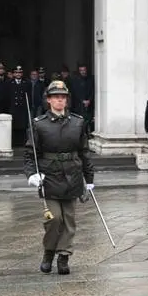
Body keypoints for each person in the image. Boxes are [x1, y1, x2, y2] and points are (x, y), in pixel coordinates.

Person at [23, 80, 95, 275]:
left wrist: (89, 179)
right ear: (49, 100)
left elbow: (84, 152)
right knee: (54, 219)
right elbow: (30, 154)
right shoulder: (39, 124)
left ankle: (63, 257)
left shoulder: (78, 122)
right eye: (56, 97)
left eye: (63, 97)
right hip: (50, 177)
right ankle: (48, 252)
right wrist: (31, 174)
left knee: (69, 220)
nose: (59, 101)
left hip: (72, 176)